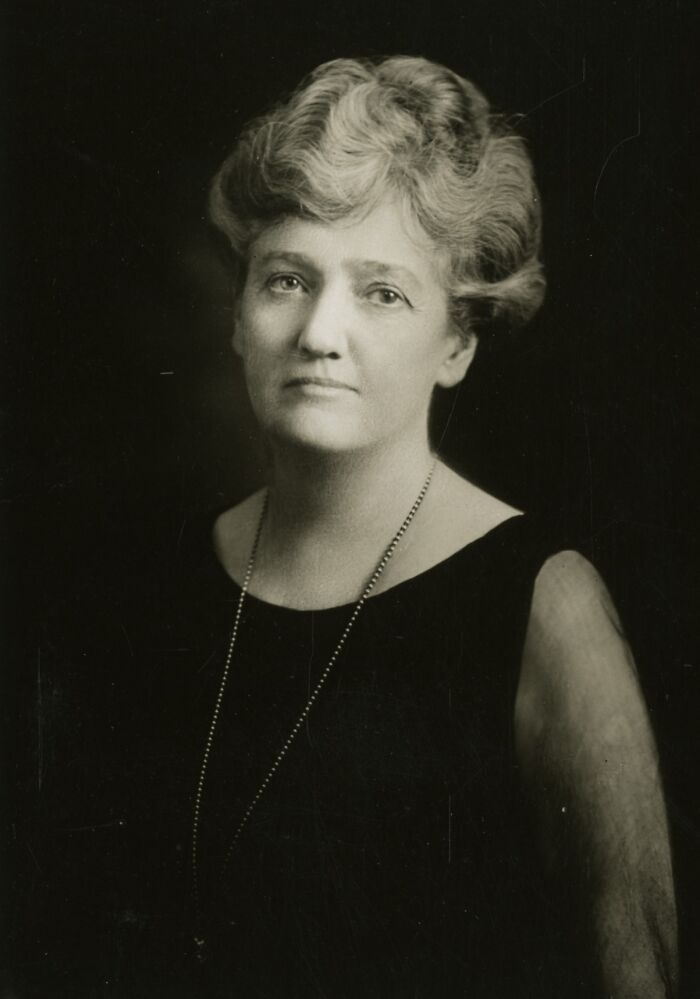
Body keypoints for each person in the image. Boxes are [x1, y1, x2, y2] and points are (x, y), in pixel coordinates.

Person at [16, 54, 677, 998]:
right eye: (287, 279)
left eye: (382, 292)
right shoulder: (154, 584)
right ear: (238, 318)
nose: (321, 333)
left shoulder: (542, 605)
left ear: (458, 343)